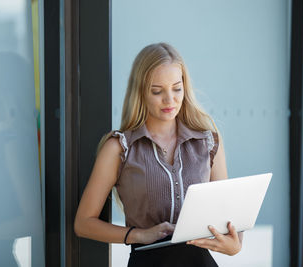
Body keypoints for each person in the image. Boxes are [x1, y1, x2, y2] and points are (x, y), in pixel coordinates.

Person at [74, 43, 243, 266]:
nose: (169, 100)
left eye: (176, 88)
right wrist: (138, 235)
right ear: (141, 91)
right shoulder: (119, 148)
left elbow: (229, 217)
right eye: (157, 91)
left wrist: (235, 244)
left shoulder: (208, 143)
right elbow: (83, 223)